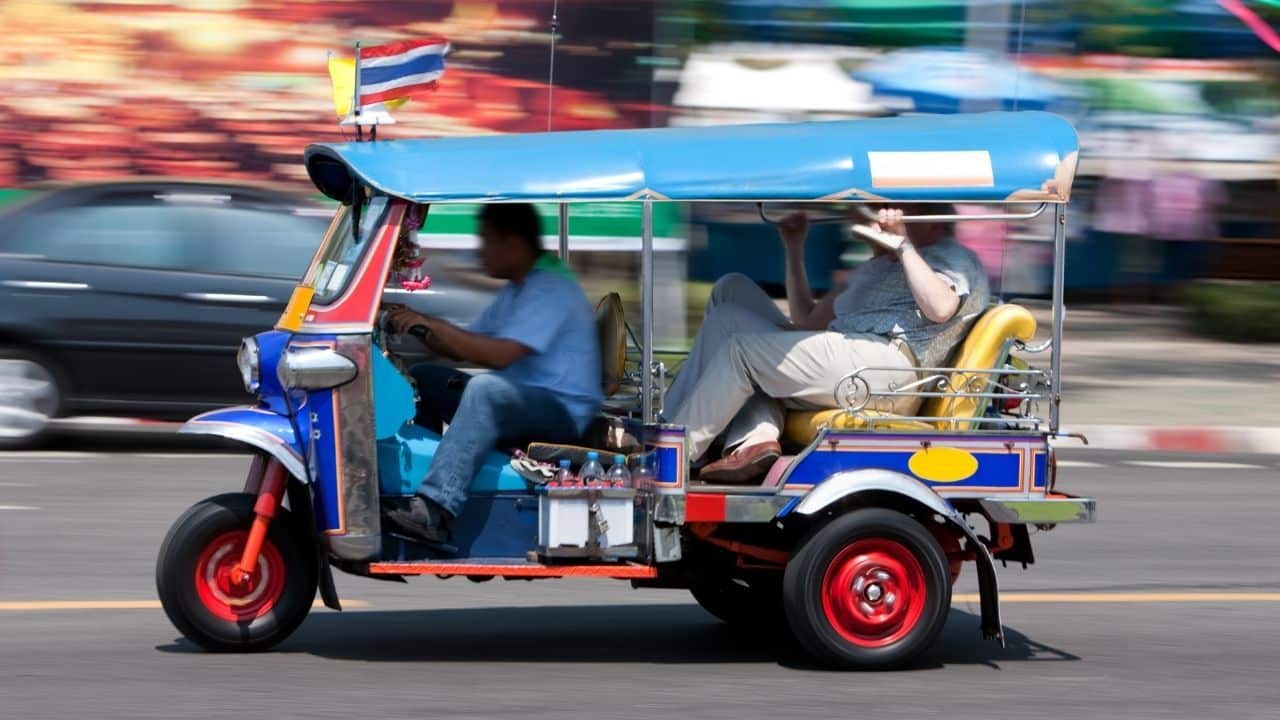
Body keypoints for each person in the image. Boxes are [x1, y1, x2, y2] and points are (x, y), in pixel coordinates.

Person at [664, 206, 989, 484]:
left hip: (887, 366)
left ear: (931, 218)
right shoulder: (881, 267)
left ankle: (671, 458)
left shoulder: (952, 256)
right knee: (729, 299)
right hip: (850, 351)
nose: (886, 216)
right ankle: (729, 438)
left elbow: (941, 307)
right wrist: (794, 247)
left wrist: (903, 246)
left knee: (742, 352)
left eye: (898, 209)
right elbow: (806, 320)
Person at [382, 203, 602, 542]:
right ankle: (414, 481)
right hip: (524, 400)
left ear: (513, 243)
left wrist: (431, 324)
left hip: (561, 413)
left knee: (485, 390)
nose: (480, 251)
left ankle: (435, 508)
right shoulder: (519, 287)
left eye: (486, 241)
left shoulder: (549, 287)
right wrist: (417, 325)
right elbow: (465, 344)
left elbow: (499, 355)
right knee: (428, 376)